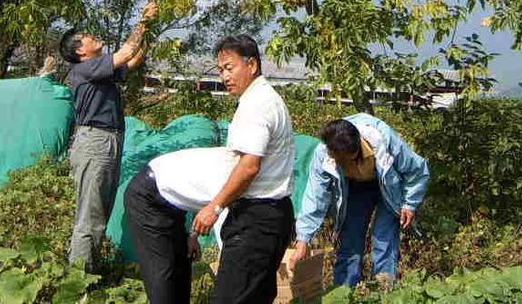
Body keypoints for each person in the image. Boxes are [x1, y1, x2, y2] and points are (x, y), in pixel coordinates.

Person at [191, 34, 296, 304]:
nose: (225, 77)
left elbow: (249, 167)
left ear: (252, 65)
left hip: (256, 220)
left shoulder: (256, 105)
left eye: (230, 67)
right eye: (220, 70)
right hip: (272, 215)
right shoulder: (265, 98)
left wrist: (214, 207)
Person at [58, 1, 158, 272]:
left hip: (108, 140)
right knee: (90, 216)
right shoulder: (85, 69)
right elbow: (126, 53)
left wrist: (148, 32)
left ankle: (90, 272)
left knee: (100, 212)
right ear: (80, 51)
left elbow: (133, 60)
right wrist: (143, 22)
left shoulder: (99, 70)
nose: (93, 36)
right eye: (86, 37)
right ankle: (78, 278)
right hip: (95, 142)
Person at [287, 115, 429, 288]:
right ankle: (344, 291)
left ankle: (384, 290)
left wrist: (410, 203)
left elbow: (418, 170)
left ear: (356, 150)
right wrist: (303, 239)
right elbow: (315, 197)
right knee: (350, 239)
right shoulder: (323, 154)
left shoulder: (384, 140)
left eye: (345, 161)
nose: (341, 165)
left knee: (383, 238)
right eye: (337, 161)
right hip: (355, 187)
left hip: (389, 186)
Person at [123, 146, 238, 304]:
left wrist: (193, 235)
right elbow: (221, 221)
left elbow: (200, 198)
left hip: (174, 203)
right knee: (163, 271)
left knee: (182, 266)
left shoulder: (243, 168)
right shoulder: (232, 174)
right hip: (148, 196)